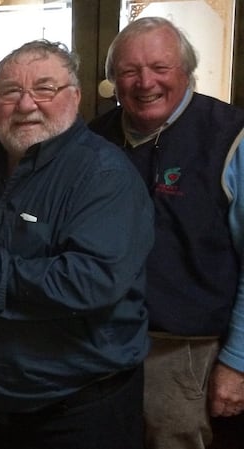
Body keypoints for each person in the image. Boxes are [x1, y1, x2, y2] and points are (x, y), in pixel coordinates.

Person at [0, 40, 154, 449]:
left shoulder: (104, 174)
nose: (26, 104)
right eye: (11, 91)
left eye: (44, 89)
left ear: (75, 96)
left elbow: (94, 279)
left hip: (76, 414)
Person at [89, 16, 244, 449]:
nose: (145, 82)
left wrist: (237, 363)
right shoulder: (93, 139)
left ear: (187, 71)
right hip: (100, 347)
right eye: (129, 71)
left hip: (185, 355)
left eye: (160, 67)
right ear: (112, 81)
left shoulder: (230, 136)